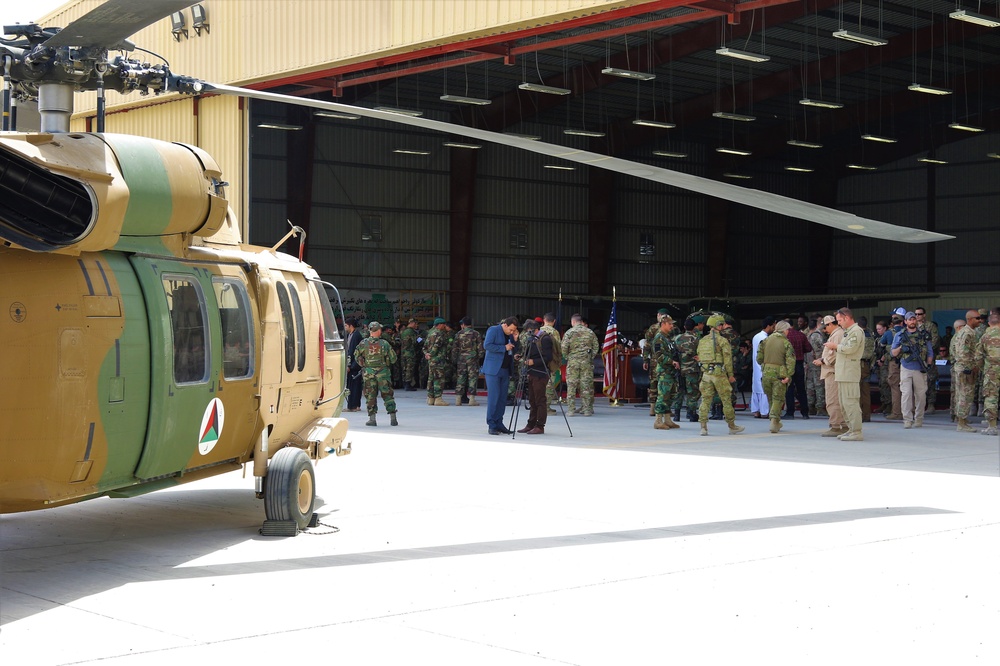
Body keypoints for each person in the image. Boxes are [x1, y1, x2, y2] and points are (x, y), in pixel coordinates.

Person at [697, 315, 744, 436]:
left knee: (705, 400)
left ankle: (703, 427)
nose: (723, 326)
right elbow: (727, 360)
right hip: (719, 374)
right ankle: (732, 426)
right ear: (718, 326)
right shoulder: (723, 341)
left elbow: (699, 357)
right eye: (722, 324)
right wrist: (731, 375)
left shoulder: (702, 341)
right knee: (726, 400)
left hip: (706, 374)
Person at [891, 311, 933, 429]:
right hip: (906, 367)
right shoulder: (900, 335)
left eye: (914, 319)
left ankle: (919, 418)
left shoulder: (924, 335)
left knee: (920, 395)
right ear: (905, 321)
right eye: (910, 319)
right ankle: (907, 419)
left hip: (920, 368)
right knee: (906, 394)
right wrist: (901, 348)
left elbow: (930, 352)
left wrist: (928, 365)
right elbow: (893, 353)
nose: (912, 321)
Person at [830, 308, 865, 441]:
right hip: (843, 373)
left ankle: (856, 431)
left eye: (839, 320)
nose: (839, 323)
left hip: (850, 373)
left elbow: (851, 349)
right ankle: (851, 429)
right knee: (844, 403)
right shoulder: (848, 332)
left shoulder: (856, 331)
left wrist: (835, 346)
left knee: (851, 402)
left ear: (847, 318)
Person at [354, 322, 398, 426]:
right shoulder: (385, 343)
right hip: (383, 373)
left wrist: (364, 365)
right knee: (388, 395)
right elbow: (393, 359)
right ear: (378, 331)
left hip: (369, 374)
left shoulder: (363, 343)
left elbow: (356, 356)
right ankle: (393, 418)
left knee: (370, 396)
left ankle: (372, 419)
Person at [516, 319, 554, 434]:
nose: (528, 333)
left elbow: (548, 357)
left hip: (541, 373)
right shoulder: (532, 339)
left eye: (529, 331)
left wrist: (534, 361)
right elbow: (530, 352)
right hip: (531, 372)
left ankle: (540, 425)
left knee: (540, 400)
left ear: (535, 329)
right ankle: (531, 423)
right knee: (532, 400)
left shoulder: (545, 339)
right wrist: (521, 356)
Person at [758, 320, 795, 433]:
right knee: (778, 398)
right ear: (784, 330)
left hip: (766, 373)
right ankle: (774, 421)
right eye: (788, 330)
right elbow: (790, 361)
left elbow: (759, 359)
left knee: (771, 398)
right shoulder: (786, 343)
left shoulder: (765, 340)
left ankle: (775, 420)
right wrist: (789, 375)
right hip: (780, 374)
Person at [483, 317, 519, 435]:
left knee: (502, 398)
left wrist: (515, 340)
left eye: (514, 330)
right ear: (505, 325)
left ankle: (499, 423)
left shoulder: (510, 335)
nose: (512, 332)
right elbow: (487, 345)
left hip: (505, 369)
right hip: (493, 370)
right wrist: (503, 348)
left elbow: (513, 349)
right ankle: (492, 424)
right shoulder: (493, 330)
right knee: (494, 398)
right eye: (511, 330)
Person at [813, 315, 846, 437]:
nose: (824, 330)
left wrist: (822, 361)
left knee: (833, 400)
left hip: (832, 372)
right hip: (833, 371)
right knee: (837, 399)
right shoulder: (837, 334)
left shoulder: (837, 335)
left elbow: (834, 355)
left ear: (831, 324)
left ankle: (835, 426)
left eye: (825, 327)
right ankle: (842, 424)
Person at [561, 313, 600, 416]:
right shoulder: (590, 332)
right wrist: (589, 357)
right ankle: (587, 410)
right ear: (581, 322)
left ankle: (571, 410)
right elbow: (596, 347)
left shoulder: (569, 332)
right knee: (586, 386)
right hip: (586, 363)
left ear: (573, 322)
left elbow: (564, 348)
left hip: (573, 362)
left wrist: (568, 357)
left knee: (571, 386)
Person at [951, 310, 982, 433]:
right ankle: (962, 423)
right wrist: (971, 367)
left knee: (962, 395)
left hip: (963, 368)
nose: (979, 320)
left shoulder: (967, 332)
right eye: (977, 318)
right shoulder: (967, 333)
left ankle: (961, 420)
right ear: (970, 319)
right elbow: (962, 353)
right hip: (966, 369)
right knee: (965, 395)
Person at [652, 315, 681, 430]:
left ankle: (668, 420)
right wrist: (671, 361)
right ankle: (658, 421)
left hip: (671, 372)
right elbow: (659, 356)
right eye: (670, 324)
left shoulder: (668, 338)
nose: (672, 326)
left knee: (671, 395)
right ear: (663, 324)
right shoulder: (659, 338)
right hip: (664, 371)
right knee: (663, 395)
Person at [674, 317, 704, 422]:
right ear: (694, 327)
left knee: (679, 391)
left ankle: (676, 414)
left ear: (684, 327)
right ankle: (691, 414)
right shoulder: (697, 339)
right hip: (692, 369)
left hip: (679, 369)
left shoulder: (677, 338)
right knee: (692, 392)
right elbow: (700, 353)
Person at [975, 311, 1000, 435]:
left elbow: (978, 356)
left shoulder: (985, 336)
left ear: (989, 323)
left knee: (991, 397)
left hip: (991, 371)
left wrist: (983, 369)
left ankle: (992, 426)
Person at [642, 309, 670, 416]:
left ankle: (663, 408)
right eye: (660, 315)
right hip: (656, 360)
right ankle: (653, 408)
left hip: (665, 360)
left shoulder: (671, 328)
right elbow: (647, 344)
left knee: (665, 384)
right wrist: (645, 359)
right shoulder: (653, 328)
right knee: (655, 383)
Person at [783, 318, 811, 419]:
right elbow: (809, 348)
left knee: (789, 388)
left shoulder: (784, 336)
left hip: (788, 364)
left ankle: (790, 412)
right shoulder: (801, 335)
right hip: (799, 364)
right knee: (801, 389)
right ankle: (805, 413)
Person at [452, 317, 484, 406]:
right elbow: (480, 348)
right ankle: (472, 399)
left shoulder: (458, 334)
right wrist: (480, 357)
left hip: (461, 359)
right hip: (472, 359)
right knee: (472, 378)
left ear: (463, 324)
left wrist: (454, 359)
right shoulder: (476, 333)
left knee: (461, 378)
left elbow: (455, 349)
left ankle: (458, 399)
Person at [914, 307, 940, 414]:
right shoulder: (913, 326)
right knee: (916, 382)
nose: (917, 316)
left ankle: (931, 404)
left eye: (920, 314)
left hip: (928, 358)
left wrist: (924, 352)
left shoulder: (930, 326)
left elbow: (935, 340)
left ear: (924, 315)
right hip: (916, 359)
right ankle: (918, 405)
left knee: (930, 380)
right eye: (916, 314)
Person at [751, 316, 776, 418]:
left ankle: (756, 410)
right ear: (769, 326)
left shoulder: (756, 336)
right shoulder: (766, 338)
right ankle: (764, 411)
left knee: (757, 388)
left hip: (756, 367)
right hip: (763, 366)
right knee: (764, 390)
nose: (774, 328)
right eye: (773, 326)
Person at [423, 317, 450, 406]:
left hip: (430, 360)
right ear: (440, 325)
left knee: (431, 379)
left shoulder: (430, 333)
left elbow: (424, 346)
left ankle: (430, 398)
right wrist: (431, 354)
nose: (444, 326)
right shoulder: (440, 333)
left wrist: (427, 354)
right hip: (438, 360)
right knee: (439, 378)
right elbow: (436, 346)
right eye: (443, 324)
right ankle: (438, 398)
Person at [540, 312, 563, 413]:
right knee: (550, 384)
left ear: (544, 320)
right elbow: (558, 347)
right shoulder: (555, 332)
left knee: (538, 384)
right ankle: (546, 407)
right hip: (551, 362)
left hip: (537, 362)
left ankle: (537, 407)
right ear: (554, 321)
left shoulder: (538, 331)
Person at [806, 317, 827, 416]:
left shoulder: (808, 335)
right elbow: (822, 349)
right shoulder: (817, 336)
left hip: (809, 364)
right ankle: (820, 408)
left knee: (810, 386)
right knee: (819, 386)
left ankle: (810, 407)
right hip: (817, 363)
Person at [344, 317, 364, 412]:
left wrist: (349, 365)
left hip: (355, 365)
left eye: (346, 325)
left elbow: (353, 352)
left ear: (351, 326)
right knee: (351, 386)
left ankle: (354, 406)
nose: (345, 327)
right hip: (352, 364)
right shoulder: (351, 335)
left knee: (355, 386)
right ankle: (352, 405)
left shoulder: (356, 336)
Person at [400, 318, 420, 390]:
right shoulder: (412, 332)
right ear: (412, 323)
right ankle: (408, 385)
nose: (416, 325)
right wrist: (421, 339)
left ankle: (405, 383)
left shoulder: (403, 331)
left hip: (403, 353)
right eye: (416, 324)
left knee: (404, 369)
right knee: (409, 369)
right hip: (410, 353)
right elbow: (416, 341)